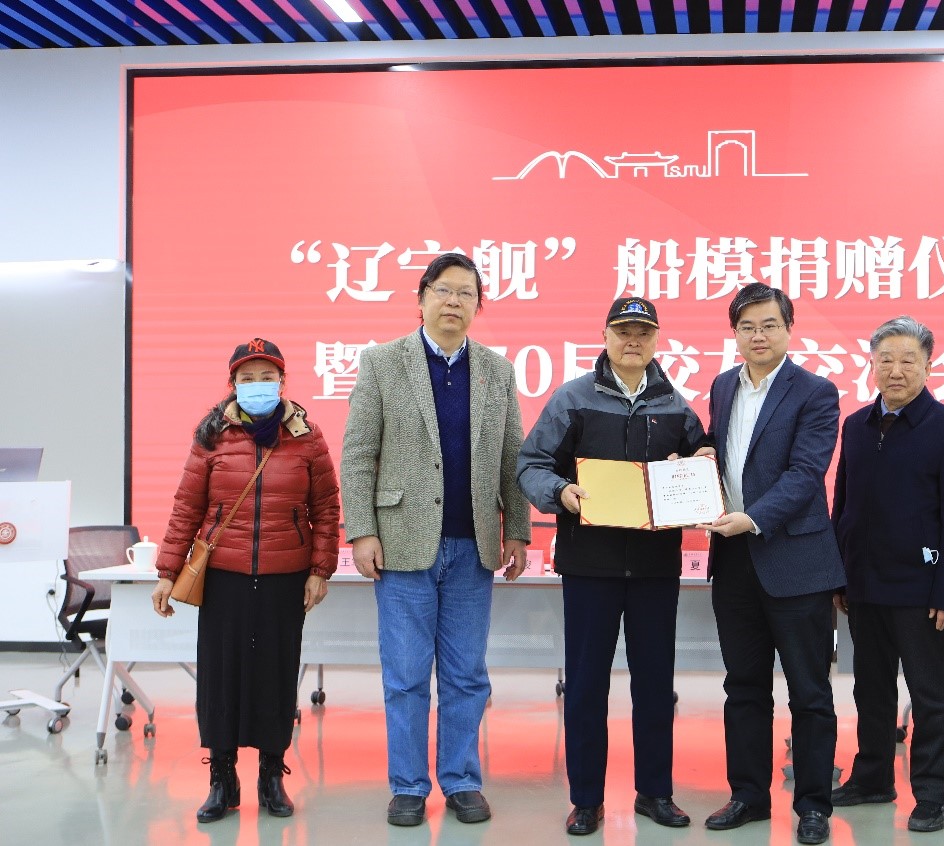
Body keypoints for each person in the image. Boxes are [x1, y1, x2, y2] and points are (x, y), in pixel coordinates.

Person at [340, 252, 531, 827]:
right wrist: (362, 531)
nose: (454, 302)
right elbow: (358, 454)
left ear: (478, 305)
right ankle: (407, 786)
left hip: (474, 546)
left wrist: (518, 530)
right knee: (405, 676)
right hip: (401, 544)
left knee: (467, 675)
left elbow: (511, 458)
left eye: (466, 293)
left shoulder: (497, 370)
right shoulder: (382, 362)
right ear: (421, 297)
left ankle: (462, 780)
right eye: (444, 290)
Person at [517, 296, 705, 836]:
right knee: (585, 687)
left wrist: (699, 467)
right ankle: (586, 799)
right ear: (604, 336)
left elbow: (703, 462)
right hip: (589, 567)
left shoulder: (676, 406)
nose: (633, 341)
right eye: (623, 331)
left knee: (655, 685)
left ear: (657, 340)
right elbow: (530, 464)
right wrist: (560, 492)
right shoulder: (571, 399)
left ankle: (655, 793)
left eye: (643, 332)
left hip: (654, 568)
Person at [151, 338, 340, 823]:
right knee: (221, 677)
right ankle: (222, 779)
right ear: (233, 384)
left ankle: (272, 775)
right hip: (224, 577)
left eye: (267, 377)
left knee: (276, 674)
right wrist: (167, 572)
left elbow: (325, 508)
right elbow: (186, 507)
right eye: (247, 378)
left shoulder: (307, 436)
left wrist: (320, 569)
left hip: (284, 575)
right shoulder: (212, 435)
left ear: (282, 382)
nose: (258, 386)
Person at [697, 282, 843, 846]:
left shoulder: (815, 392)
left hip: (796, 561)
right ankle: (749, 796)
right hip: (733, 562)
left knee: (810, 691)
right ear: (735, 333)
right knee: (743, 687)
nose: (758, 336)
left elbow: (806, 475)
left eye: (769, 325)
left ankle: (813, 805)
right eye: (747, 327)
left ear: (788, 329)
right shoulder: (722, 385)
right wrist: (703, 457)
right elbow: (728, 450)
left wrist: (752, 518)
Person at [829, 316, 944, 833]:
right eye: (885, 360)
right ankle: (872, 777)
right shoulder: (856, 425)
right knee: (870, 690)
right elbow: (843, 503)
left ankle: (933, 794)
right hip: (864, 584)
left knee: (930, 695)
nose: (895, 370)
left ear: (928, 366)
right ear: (871, 365)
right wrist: (840, 574)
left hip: (922, 589)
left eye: (908, 360)